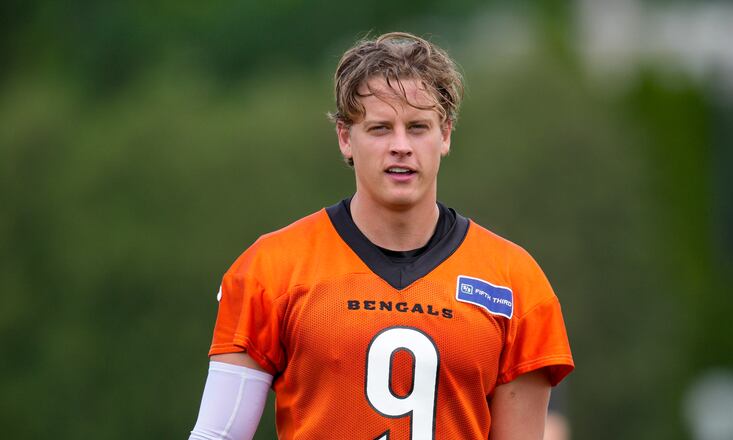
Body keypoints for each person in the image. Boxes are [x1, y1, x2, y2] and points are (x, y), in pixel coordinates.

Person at [188, 32, 574, 440]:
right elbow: (218, 435)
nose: (401, 146)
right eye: (380, 128)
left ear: (445, 135)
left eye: (418, 127)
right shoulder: (271, 268)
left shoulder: (515, 281)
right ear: (345, 138)